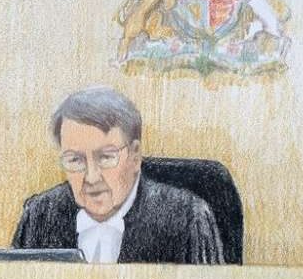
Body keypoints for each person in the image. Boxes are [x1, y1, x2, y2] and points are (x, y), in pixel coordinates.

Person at [12, 86, 225, 264]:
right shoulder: (39, 215)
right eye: (75, 160)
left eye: (106, 157)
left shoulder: (188, 219)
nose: (91, 178)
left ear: (135, 156)